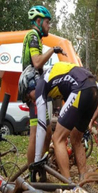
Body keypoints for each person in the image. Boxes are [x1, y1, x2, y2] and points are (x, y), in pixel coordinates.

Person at [18, 62, 98, 180]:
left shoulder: (40, 85)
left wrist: (36, 160)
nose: (31, 100)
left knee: (57, 138)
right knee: (76, 138)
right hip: (93, 89)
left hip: (80, 88)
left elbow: (41, 127)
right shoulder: (51, 76)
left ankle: (68, 185)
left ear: (31, 84)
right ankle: (83, 178)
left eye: (28, 96)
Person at [22, 5, 67, 165]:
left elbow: (39, 66)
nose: (49, 26)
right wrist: (53, 50)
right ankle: (32, 173)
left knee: (47, 133)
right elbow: (36, 62)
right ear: (39, 21)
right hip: (33, 91)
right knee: (35, 132)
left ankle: (41, 166)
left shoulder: (37, 38)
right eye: (47, 22)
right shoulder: (33, 36)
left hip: (37, 89)